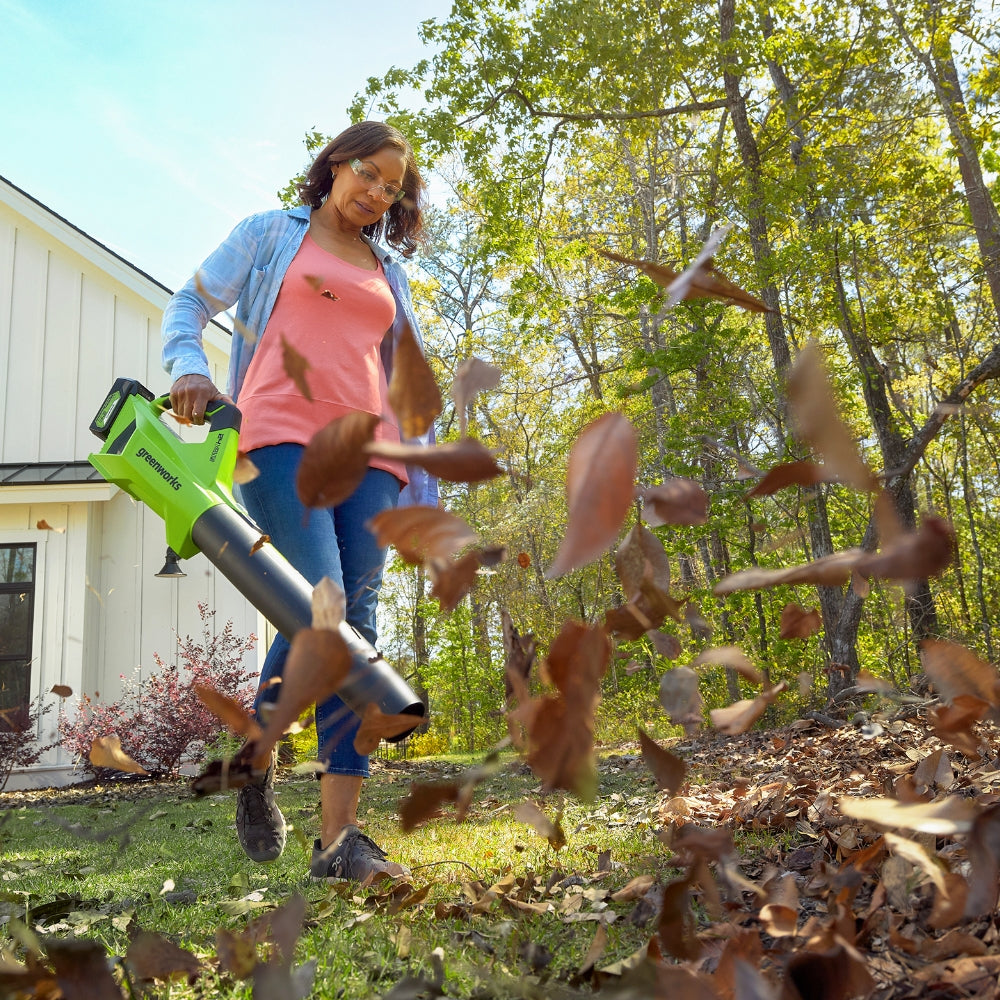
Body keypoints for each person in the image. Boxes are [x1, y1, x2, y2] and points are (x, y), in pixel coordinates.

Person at [161, 121, 437, 883]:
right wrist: (189, 369)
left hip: (373, 455)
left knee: (357, 631)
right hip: (279, 436)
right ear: (337, 164)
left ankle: (338, 841)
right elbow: (189, 302)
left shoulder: (388, 271)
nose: (376, 193)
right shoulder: (269, 233)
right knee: (323, 609)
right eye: (368, 173)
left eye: (392, 189)